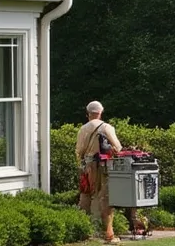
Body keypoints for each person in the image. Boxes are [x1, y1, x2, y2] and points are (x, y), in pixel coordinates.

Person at [75, 100, 123, 243]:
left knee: (85, 197)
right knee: (106, 199)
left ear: (87, 113)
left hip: (87, 166)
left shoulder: (83, 129)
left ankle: (83, 231)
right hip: (104, 167)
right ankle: (109, 234)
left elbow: (79, 150)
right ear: (100, 113)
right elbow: (118, 147)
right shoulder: (107, 127)